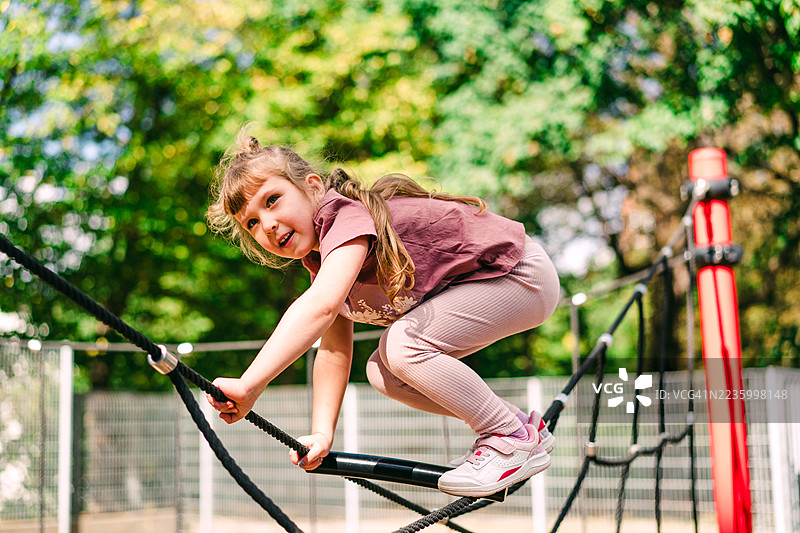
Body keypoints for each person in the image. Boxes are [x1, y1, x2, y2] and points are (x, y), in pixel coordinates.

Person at [204, 125, 560, 497]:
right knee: (383, 373)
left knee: (401, 346)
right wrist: (323, 432)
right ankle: (518, 429)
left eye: (272, 200)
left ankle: (508, 437)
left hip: (519, 272)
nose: (268, 224)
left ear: (311, 186)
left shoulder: (344, 218)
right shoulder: (325, 264)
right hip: (493, 286)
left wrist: (250, 385)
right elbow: (334, 352)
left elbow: (320, 307)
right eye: (252, 223)